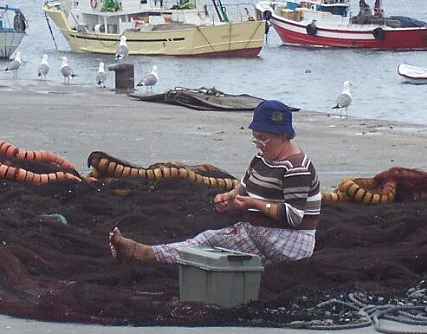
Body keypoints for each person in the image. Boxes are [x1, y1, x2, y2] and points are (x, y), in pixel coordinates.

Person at [109, 99, 321, 265]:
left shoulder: (296, 168)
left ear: (284, 136)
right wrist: (230, 197)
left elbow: (293, 216)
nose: (259, 144)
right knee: (213, 239)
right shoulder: (261, 159)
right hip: (262, 233)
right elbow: (245, 187)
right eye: (255, 138)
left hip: (290, 241)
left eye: (264, 138)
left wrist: (253, 204)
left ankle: (144, 254)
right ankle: (156, 254)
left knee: (209, 240)